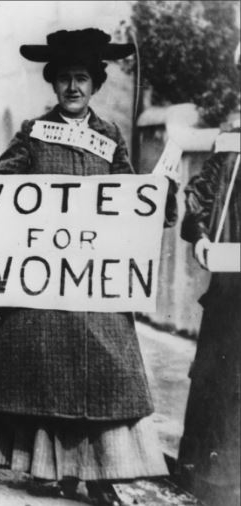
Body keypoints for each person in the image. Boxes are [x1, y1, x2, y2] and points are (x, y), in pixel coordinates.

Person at [0, 29, 177, 506]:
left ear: (95, 85)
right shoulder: (33, 133)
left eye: (82, 78)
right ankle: (60, 472)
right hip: (47, 289)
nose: (73, 87)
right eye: (64, 78)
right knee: (49, 377)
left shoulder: (109, 139)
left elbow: (131, 200)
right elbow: (1, 185)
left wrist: (159, 199)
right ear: (54, 84)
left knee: (107, 377)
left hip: (95, 290)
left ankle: (102, 476)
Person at [177, 44, 240, 506]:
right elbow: (199, 194)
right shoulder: (231, 140)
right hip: (230, 288)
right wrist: (199, 233)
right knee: (218, 382)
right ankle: (210, 481)